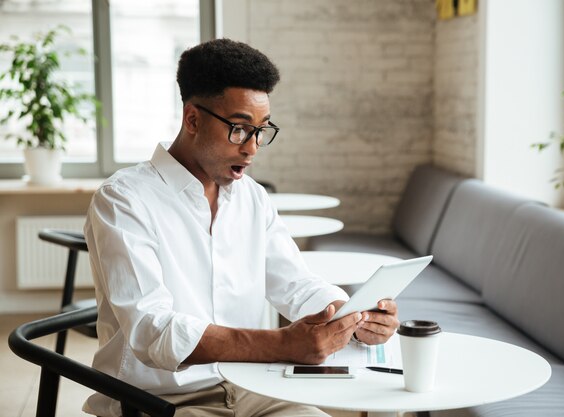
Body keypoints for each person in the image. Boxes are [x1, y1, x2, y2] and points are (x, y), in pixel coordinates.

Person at [83, 38, 399, 417]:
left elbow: (295, 283)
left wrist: (354, 316)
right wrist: (283, 344)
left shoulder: (250, 197)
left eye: (262, 130)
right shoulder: (124, 199)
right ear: (193, 119)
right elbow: (153, 331)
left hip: (251, 386)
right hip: (159, 400)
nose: (252, 148)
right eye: (239, 129)